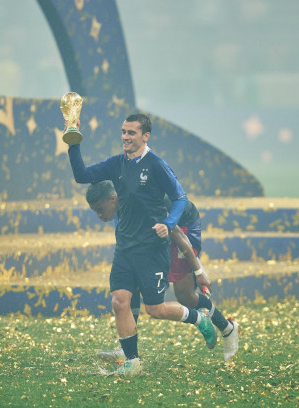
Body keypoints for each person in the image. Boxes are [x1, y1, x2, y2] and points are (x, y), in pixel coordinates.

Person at [67, 113, 216, 376]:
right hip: (124, 249)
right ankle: (132, 363)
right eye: (123, 132)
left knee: (155, 309)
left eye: (131, 133)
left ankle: (199, 319)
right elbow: (81, 175)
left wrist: (169, 223)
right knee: (120, 301)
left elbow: (180, 199)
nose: (125, 137)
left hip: (151, 251)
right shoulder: (117, 164)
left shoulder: (157, 165)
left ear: (145, 136)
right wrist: (73, 142)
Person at [86, 181, 239, 362]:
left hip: (182, 226)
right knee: (129, 285)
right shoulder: (120, 202)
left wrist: (199, 271)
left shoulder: (143, 203)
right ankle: (128, 350)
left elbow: (177, 234)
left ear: (113, 199)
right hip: (159, 233)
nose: (99, 215)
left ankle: (227, 328)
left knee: (185, 296)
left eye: (100, 209)